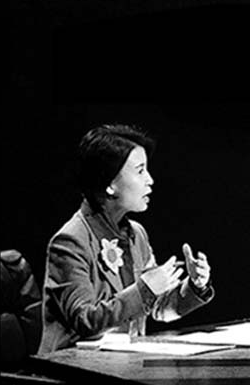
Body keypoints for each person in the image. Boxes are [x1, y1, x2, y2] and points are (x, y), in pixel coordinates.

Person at [39, 124, 215, 352]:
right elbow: (85, 321)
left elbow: (158, 307)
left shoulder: (136, 234)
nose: (150, 180)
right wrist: (145, 290)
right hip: (72, 365)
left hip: (122, 363)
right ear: (110, 184)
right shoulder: (70, 241)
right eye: (140, 171)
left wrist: (194, 286)